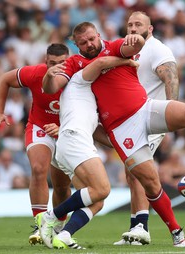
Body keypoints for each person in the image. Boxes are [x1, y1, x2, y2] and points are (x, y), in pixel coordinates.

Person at [43, 21, 185, 247]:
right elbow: (54, 86)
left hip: (145, 108)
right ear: (75, 43)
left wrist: (136, 39)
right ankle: (176, 232)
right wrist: (50, 76)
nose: (89, 44)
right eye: (83, 42)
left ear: (99, 35)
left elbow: (136, 45)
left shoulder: (114, 46)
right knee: (151, 184)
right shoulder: (74, 63)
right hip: (122, 129)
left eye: (92, 39)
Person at [37, 55, 139, 250]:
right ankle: (50, 216)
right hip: (74, 140)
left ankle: (65, 234)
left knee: (97, 201)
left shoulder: (92, 97)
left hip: (70, 143)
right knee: (102, 189)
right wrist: (127, 61)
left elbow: (102, 135)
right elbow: (100, 63)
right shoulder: (79, 79)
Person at [0, 43, 71, 245]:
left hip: (66, 131)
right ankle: (40, 223)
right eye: (53, 63)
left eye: (62, 63)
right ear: (46, 62)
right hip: (40, 127)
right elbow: (4, 79)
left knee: (61, 186)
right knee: (37, 168)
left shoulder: (79, 76)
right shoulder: (35, 73)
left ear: (68, 61)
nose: (57, 67)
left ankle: (58, 226)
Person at [113, 11, 180, 246]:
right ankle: (136, 227)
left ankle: (142, 227)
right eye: (130, 24)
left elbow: (171, 78)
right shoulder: (124, 48)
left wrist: (172, 114)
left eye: (138, 24)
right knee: (132, 173)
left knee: (137, 172)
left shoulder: (156, 49)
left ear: (149, 29)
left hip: (151, 119)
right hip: (131, 121)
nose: (132, 28)